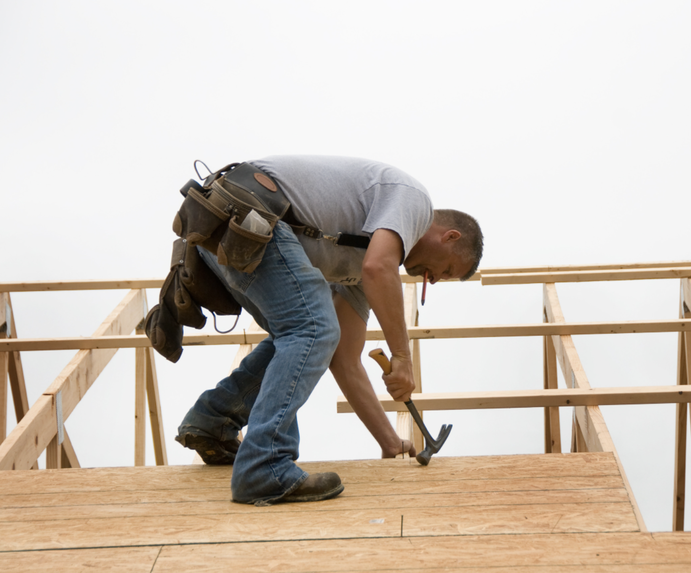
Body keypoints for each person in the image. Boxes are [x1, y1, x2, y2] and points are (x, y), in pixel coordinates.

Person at [174, 155, 483, 506]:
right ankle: (265, 467)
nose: (434, 280)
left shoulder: (360, 260)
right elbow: (379, 268)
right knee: (311, 328)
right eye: (446, 270)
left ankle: (214, 420)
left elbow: (344, 359)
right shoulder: (414, 201)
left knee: (300, 337)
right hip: (248, 211)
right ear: (450, 237)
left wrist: (389, 441)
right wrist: (401, 356)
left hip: (226, 223)